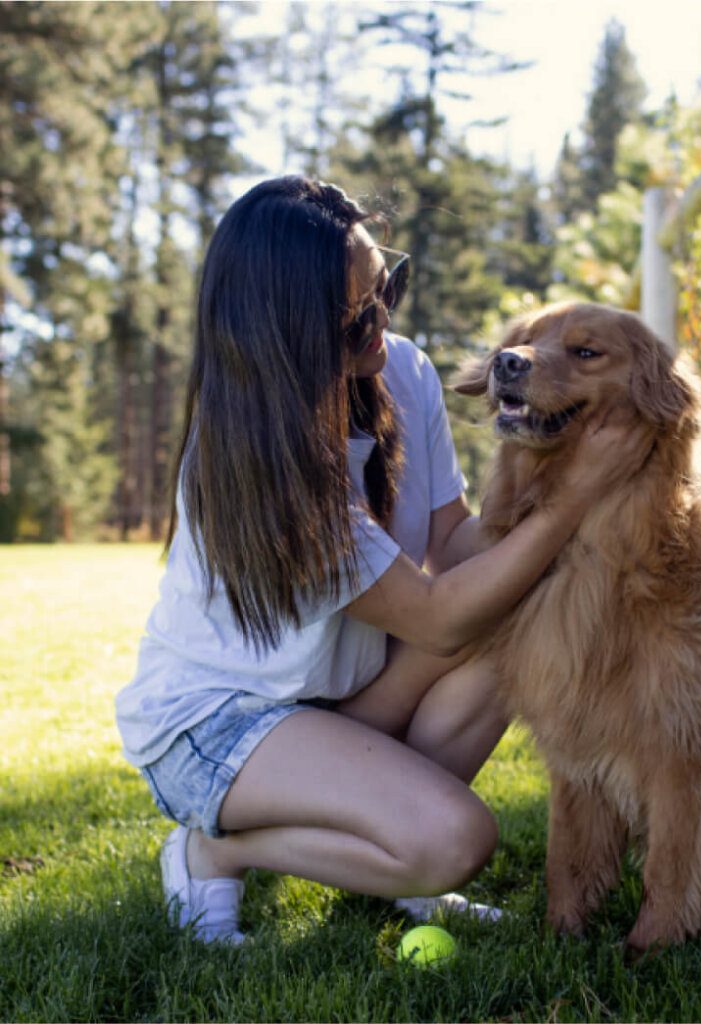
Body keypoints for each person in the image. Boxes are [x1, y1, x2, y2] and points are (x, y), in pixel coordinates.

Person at [115, 176, 650, 945]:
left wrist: (569, 481)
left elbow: (456, 542)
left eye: (385, 287)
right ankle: (213, 847)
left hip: (338, 695)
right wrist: (572, 500)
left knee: (520, 625)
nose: (382, 321)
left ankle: (382, 852)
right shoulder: (269, 456)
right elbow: (436, 618)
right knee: (453, 842)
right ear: (284, 330)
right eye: (354, 316)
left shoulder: (399, 369)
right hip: (218, 720)